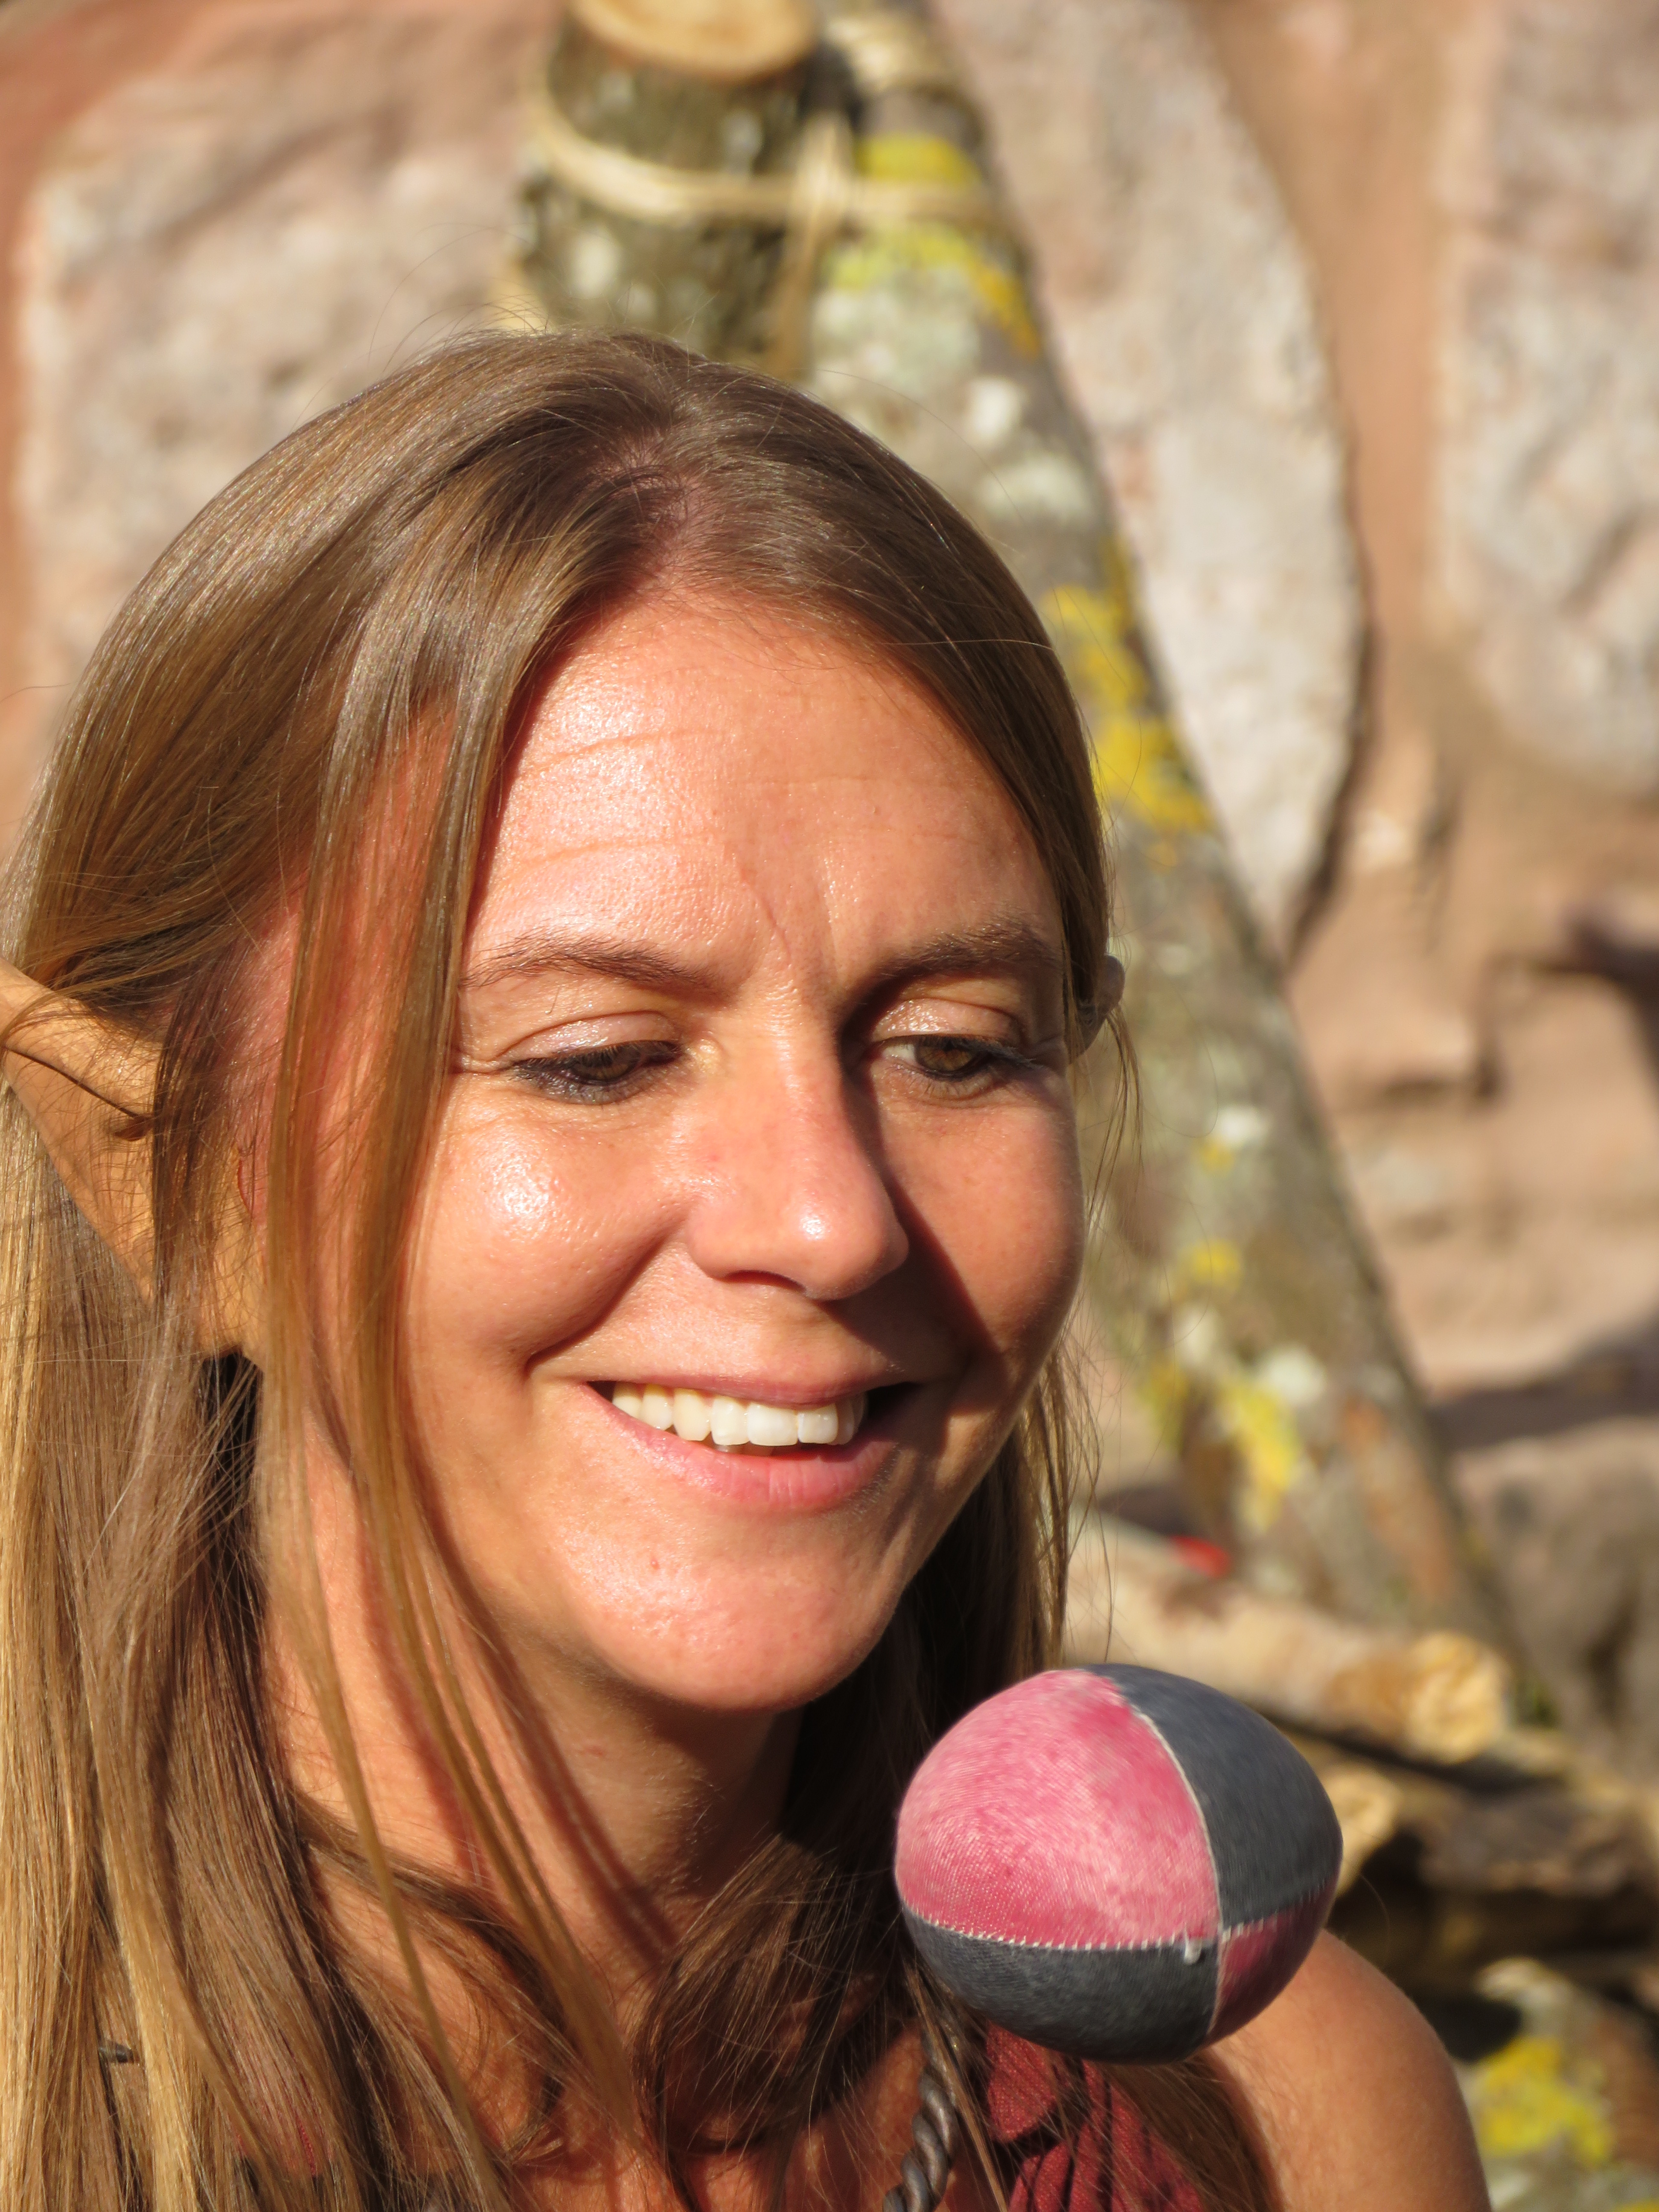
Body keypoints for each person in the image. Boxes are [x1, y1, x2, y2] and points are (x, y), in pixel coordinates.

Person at [0, 332, 1487, 2212]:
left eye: (953, 1047)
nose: (830, 1219)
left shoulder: (1286, 2124)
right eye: (597, 1059)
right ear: (157, 1177)